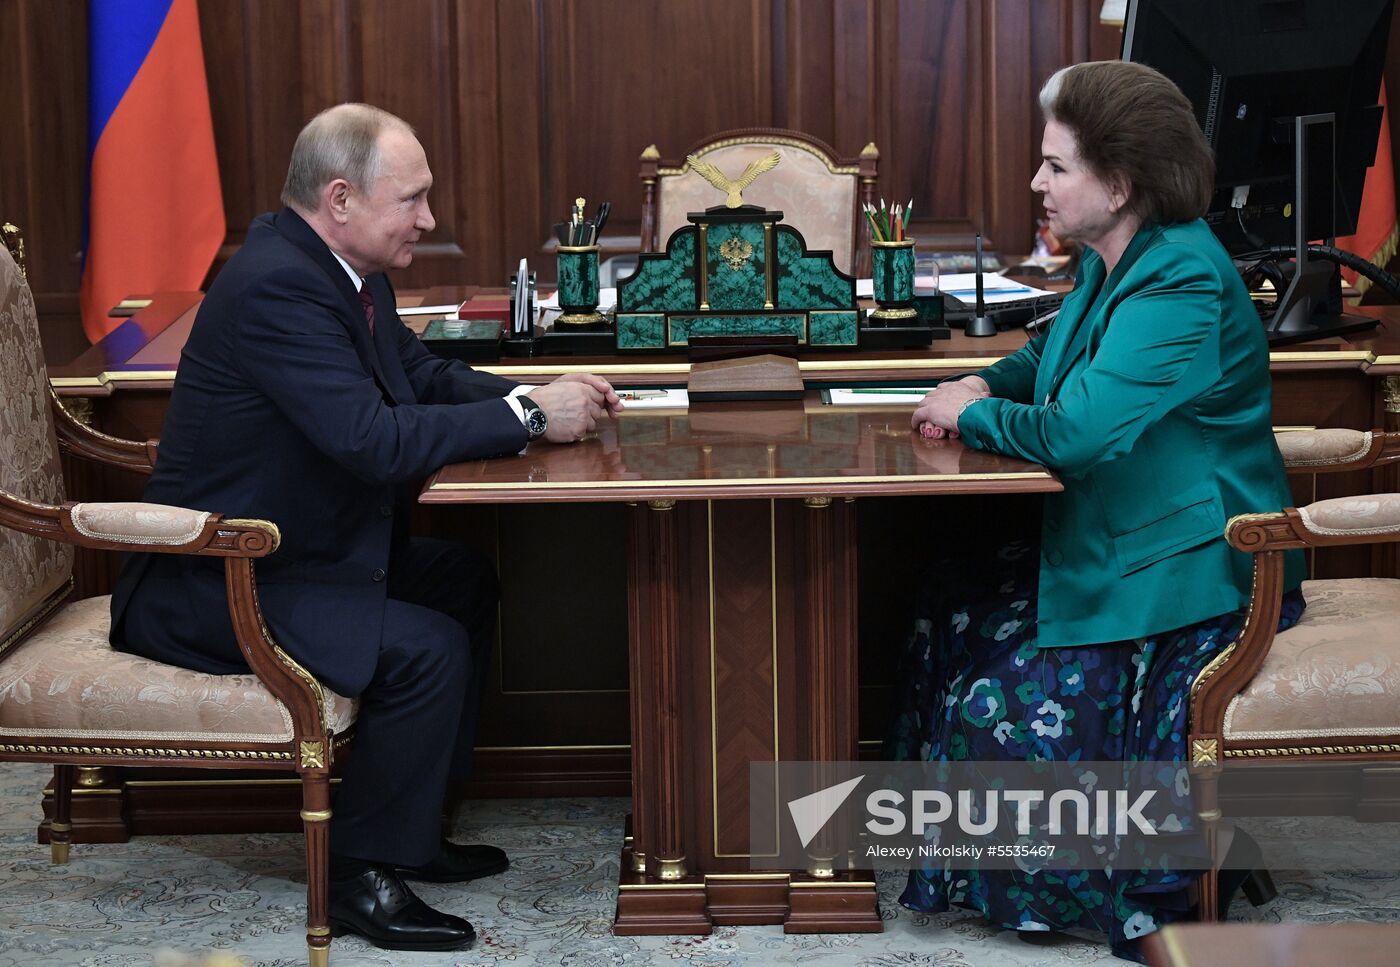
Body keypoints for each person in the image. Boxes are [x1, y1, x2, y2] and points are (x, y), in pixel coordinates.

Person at [110, 103, 622, 953]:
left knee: (463, 580)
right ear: (340, 199)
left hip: (298, 552)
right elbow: (372, 440)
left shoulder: (349, 271)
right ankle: (358, 874)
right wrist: (530, 415)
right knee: (426, 647)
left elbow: (416, 375)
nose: (429, 218)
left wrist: (534, 395)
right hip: (216, 576)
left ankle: (411, 830)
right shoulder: (279, 286)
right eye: (411, 200)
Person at [895, 61, 1307, 961]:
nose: (1037, 183)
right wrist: (979, 382)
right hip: (1130, 543)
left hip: (1198, 568)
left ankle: (1125, 884)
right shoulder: (1118, 259)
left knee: (992, 703)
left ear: (1120, 184)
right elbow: (1052, 361)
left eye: (1056, 166)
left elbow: (1078, 432)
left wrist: (973, 414)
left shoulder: (1180, 281)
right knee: (948, 600)